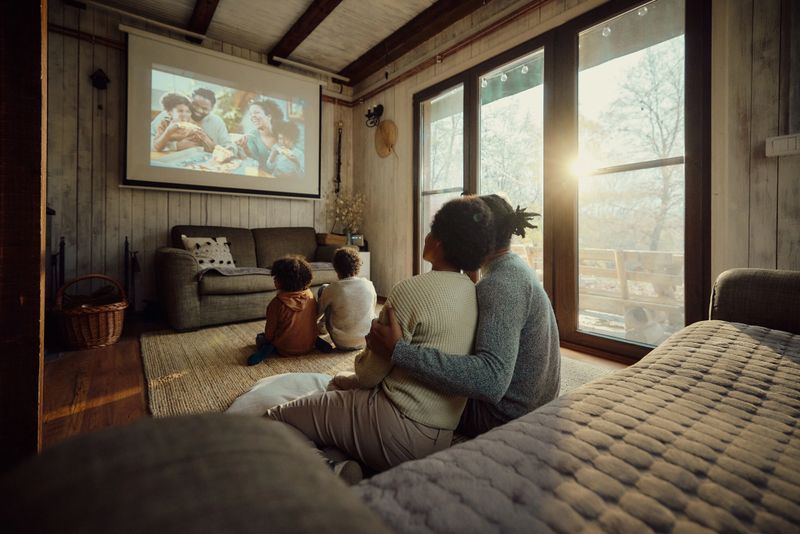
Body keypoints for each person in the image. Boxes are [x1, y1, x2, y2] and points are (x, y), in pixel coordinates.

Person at [265, 196, 494, 476]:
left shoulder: (409, 291)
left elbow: (369, 376)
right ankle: (346, 462)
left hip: (395, 427)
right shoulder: (476, 293)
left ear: (438, 242)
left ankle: (330, 471)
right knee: (334, 405)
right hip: (443, 434)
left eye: (432, 230)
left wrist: (354, 373)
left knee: (274, 418)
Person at [368, 194, 561, 438]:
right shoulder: (512, 269)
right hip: (535, 406)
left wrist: (399, 351)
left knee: (397, 385)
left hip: (505, 418)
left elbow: (491, 381)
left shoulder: (499, 285)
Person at [247, 255, 329, 366]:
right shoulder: (310, 296)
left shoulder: (276, 304)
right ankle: (316, 341)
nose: (274, 280)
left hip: (284, 349)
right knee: (304, 329)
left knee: (261, 338)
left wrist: (268, 339)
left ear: (280, 282)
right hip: (309, 345)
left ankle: (265, 351)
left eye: (276, 277)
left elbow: (269, 333)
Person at [317, 247, 377, 351]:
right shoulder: (369, 284)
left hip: (342, 342)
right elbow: (373, 308)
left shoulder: (332, 288)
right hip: (367, 339)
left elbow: (317, 312)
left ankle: (322, 327)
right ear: (358, 266)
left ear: (336, 267)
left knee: (323, 289)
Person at [150, 87, 231, 153]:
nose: (199, 110)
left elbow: (221, 148)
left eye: (205, 108)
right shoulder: (166, 119)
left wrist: (205, 138)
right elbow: (151, 142)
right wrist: (175, 145)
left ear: (212, 109)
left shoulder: (198, 127)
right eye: (195, 105)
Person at [236, 99, 283, 172]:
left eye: (257, 112)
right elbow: (254, 163)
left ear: (269, 116)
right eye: (251, 114)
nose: (252, 116)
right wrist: (244, 149)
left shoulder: (283, 134)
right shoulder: (252, 136)